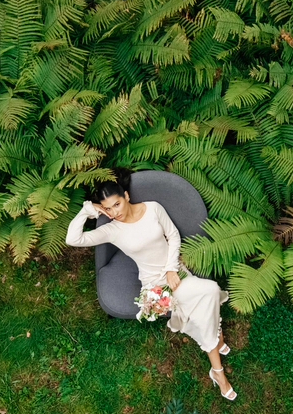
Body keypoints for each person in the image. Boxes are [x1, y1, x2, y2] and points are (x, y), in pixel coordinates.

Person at [65, 169, 236, 400]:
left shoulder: (153, 208)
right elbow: (73, 239)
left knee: (208, 295)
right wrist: (87, 210)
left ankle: (215, 341)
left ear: (126, 196)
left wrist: (171, 268)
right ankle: (218, 369)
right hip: (155, 286)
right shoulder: (112, 230)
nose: (114, 212)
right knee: (209, 293)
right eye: (108, 209)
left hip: (175, 272)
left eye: (117, 204)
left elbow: (173, 235)